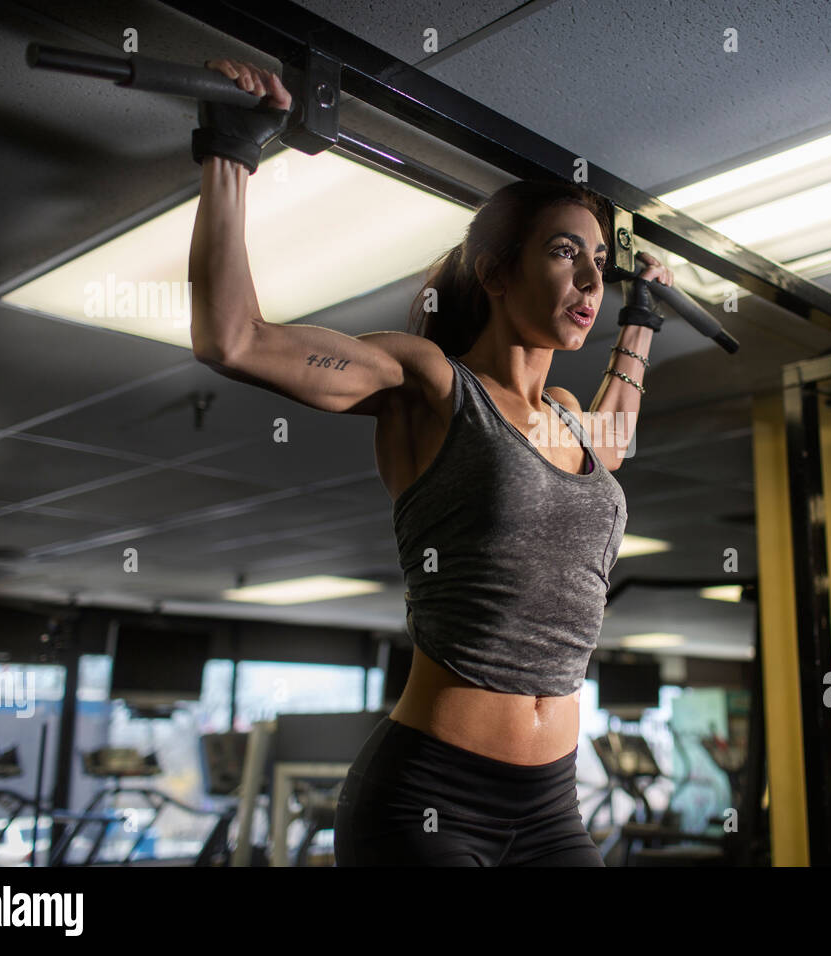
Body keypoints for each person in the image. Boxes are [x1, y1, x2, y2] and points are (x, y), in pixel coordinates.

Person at [189, 59, 675, 866]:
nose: (593, 277)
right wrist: (232, 152)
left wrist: (642, 321)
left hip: (555, 803)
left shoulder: (569, 421)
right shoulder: (432, 384)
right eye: (565, 253)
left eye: (600, 262)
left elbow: (615, 441)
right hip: (430, 800)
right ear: (493, 271)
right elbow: (232, 338)